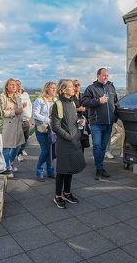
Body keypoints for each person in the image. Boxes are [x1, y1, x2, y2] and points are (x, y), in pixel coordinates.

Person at [51, 79, 86, 209]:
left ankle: (66, 193)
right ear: (63, 90)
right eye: (71, 87)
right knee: (62, 170)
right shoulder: (58, 104)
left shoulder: (72, 103)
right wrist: (69, 136)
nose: (73, 89)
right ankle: (58, 196)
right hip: (65, 142)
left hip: (74, 140)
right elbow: (55, 126)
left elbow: (72, 120)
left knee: (70, 169)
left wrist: (79, 122)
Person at [81, 68, 118, 180]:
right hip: (96, 123)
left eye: (107, 75)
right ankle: (98, 169)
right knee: (97, 146)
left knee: (103, 147)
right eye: (103, 75)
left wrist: (115, 117)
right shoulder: (91, 88)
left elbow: (116, 103)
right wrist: (98, 101)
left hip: (108, 123)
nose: (105, 77)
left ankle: (101, 168)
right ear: (98, 76)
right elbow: (84, 102)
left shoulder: (111, 88)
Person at [33, 82, 57, 181]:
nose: (53, 90)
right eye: (51, 88)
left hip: (53, 130)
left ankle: (51, 171)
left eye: (54, 88)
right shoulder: (39, 100)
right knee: (45, 151)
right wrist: (48, 120)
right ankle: (39, 173)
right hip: (42, 129)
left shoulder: (56, 101)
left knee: (51, 152)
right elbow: (35, 114)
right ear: (47, 89)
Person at [1, 78, 25, 176]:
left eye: (15, 85)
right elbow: (0, 112)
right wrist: (13, 112)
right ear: (6, 86)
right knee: (6, 148)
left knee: (17, 146)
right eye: (11, 84)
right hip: (8, 126)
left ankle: (10, 162)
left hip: (18, 126)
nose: (14, 86)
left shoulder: (18, 97)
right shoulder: (2, 97)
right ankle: (6, 167)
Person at [15, 79, 32, 162]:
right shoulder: (15, 95)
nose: (19, 85)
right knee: (19, 138)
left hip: (26, 119)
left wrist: (29, 119)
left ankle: (21, 149)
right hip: (19, 120)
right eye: (17, 84)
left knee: (26, 136)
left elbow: (30, 107)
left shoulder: (26, 94)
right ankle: (19, 153)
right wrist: (21, 106)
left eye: (20, 84)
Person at [71, 79, 89, 152]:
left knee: (83, 138)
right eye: (75, 85)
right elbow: (68, 109)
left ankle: (81, 157)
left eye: (78, 84)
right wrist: (78, 109)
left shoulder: (83, 95)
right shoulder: (70, 97)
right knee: (76, 139)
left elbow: (88, 106)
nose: (77, 86)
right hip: (75, 120)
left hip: (83, 120)